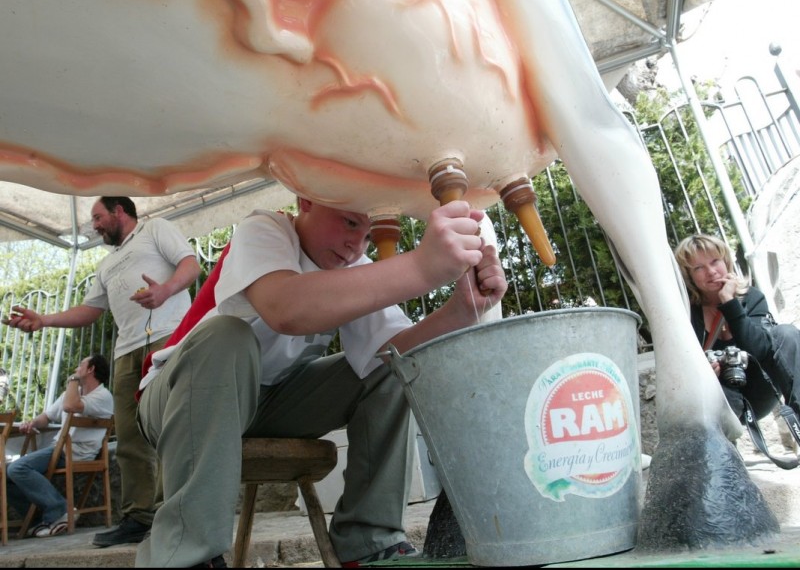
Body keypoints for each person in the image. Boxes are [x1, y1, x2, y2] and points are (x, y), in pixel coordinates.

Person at [134, 198, 508, 568]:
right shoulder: (264, 229)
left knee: (392, 367)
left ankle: (369, 540)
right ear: (306, 201)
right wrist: (422, 268)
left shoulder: (355, 267)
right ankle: (184, 555)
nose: (356, 244)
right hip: (178, 399)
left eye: (367, 234)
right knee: (228, 336)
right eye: (348, 223)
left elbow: (393, 349)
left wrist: (459, 311)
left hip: (268, 403)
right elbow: (286, 309)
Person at [2, 196, 201, 547]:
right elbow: (90, 310)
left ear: (119, 211)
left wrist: (166, 290)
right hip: (125, 352)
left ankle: (178, 513)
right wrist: (44, 320)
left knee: (172, 426)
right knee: (129, 439)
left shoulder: (155, 229)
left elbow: (191, 263)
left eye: (97, 217)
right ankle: (139, 517)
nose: (93, 226)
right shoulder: (106, 266)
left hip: (168, 337)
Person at [674, 233, 800, 427]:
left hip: (761, 388)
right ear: (689, 276)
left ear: (725, 261)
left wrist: (730, 302)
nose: (711, 271)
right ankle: (722, 455)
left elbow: (759, 350)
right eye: (699, 268)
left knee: (786, 333)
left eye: (715, 261)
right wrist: (704, 372)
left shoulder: (752, 298)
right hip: (719, 397)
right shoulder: (687, 312)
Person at [7, 354, 114, 537]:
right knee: (5, 473)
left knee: (17, 468)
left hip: (75, 453)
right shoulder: (71, 395)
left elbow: (70, 406)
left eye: (80, 365)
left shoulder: (103, 396)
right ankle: (38, 520)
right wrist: (32, 423)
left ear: (91, 369)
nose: (76, 369)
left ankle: (61, 510)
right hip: (60, 451)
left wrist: (72, 380)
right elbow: (47, 417)